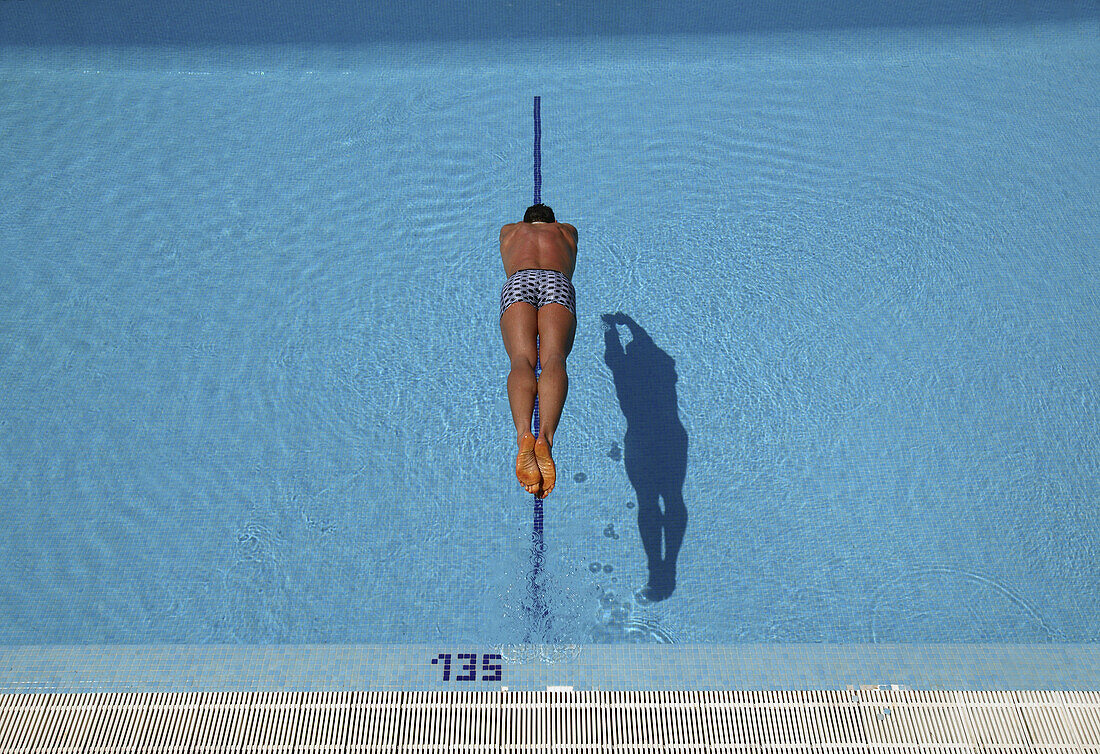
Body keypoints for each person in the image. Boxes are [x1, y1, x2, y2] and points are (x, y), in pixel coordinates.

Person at [499, 203, 578, 498]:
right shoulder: (566, 231)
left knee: (521, 360)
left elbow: (507, 239)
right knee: (554, 358)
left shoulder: (510, 231)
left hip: (520, 282)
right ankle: (545, 437)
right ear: (554, 221)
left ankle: (523, 436)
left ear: (524, 222)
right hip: (557, 282)